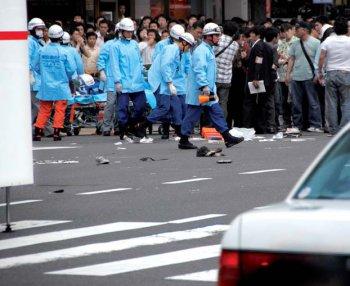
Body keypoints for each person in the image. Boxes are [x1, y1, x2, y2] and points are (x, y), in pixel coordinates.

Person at [178, 23, 244, 150]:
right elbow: (199, 70)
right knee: (197, 114)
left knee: (214, 112)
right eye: (216, 36)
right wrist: (204, 86)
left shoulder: (207, 49)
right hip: (202, 91)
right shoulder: (202, 51)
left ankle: (227, 137)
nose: (219, 38)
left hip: (204, 90)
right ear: (209, 37)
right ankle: (184, 139)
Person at [144, 32, 195, 139]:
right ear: (184, 43)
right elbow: (165, 66)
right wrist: (170, 83)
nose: (189, 49)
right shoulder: (171, 49)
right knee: (164, 107)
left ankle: (179, 131)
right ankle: (141, 126)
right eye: (189, 46)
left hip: (164, 82)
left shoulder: (179, 52)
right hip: (159, 82)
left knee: (173, 107)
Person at [32, 25, 75, 141]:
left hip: (46, 85)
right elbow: (71, 69)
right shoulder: (64, 51)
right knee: (60, 109)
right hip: (61, 85)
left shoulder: (42, 50)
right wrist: (65, 76)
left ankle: (37, 132)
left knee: (44, 109)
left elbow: (34, 66)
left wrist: (45, 74)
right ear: (61, 36)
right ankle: (56, 133)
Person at [109, 18, 147, 140]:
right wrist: (117, 81)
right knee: (122, 108)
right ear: (121, 31)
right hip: (124, 82)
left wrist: (143, 71)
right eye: (127, 31)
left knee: (141, 106)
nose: (130, 33)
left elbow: (139, 61)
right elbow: (114, 65)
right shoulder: (115, 46)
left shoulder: (135, 44)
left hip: (137, 81)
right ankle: (123, 130)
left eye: (131, 31)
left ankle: (132, 125)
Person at [286, 21, 322, 133]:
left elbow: (319, 60)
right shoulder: (295, 44)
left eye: (297, 29)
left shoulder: (316, 43)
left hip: (310, 76)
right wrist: (288, 74)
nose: (295, 31)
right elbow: (291, 59)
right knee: (296, 102)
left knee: (313, 102)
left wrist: (318, 75)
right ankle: (297, 124)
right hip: (296, 77)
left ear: (305, 30)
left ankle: (315, 124)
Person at [318, 17, 350, 135]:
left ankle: (333, 129)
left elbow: (322, 57)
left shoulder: (328, 41)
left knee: (331, 102)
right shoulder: (349, 41)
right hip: (347, 73)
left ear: (334, 28)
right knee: (346, 102)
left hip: (331, 73)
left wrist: (320, 72)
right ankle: (343, 128)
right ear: (346, 28)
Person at [243, 26, 276, 134]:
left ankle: (251, 126)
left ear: (255, 34)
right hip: (265, 79)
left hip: (257, 79)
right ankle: (261, 126)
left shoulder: (258, 46)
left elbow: (258, 61)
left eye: (251, 34)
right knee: (262, 103)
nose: (250, 36)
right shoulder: (265, 45)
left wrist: (255, 77)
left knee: (251, 102)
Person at [214, 21, 239, 120]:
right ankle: (222, 125)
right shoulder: (235, 45)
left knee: (209, 100)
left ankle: (209, 125)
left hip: (213, 78)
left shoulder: (217, 39)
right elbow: (233, 60)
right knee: (223, 103)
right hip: (226, 79)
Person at [277, 23, 298, 130]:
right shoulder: (282, 43)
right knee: (284, 100)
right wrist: (284, 59)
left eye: (287, 31)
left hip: (293, 75)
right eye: (283, 31)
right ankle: (287, 121)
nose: (285, 33)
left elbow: (293, 59)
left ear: (292, 30)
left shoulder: (296, 42)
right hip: (281, 75)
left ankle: (296, 121)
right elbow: (279, 57)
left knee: (294, 99)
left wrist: (285, 59)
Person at [98, 33, 119, 136]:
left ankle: (118, 127)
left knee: (121, 105)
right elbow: (101, 59)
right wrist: (102, 71)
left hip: (125, 79)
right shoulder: (109, 44)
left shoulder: (131, 44)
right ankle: (106, 127)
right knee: (110, 104)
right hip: (111, 79)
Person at [28, 17, 46, 124]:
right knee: (39, 106)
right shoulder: (30, 42)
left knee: (35, 108)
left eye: (42, 29)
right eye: (39, 29)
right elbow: (27, 60)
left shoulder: (39, 42)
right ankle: (49, 129)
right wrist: (30, 75)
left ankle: (30, 129)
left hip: (39, 79)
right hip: (33, 80)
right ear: (32, 29)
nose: (41, 31)